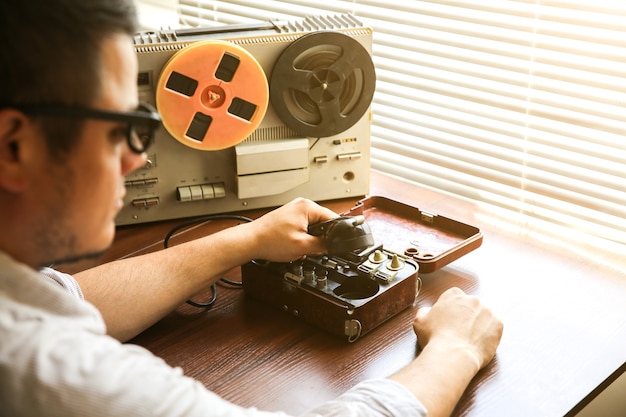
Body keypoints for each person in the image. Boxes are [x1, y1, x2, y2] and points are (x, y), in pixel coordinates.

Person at [0, 1, 503, 416]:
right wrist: (456, 349)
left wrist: (246, 240)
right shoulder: (38, 364)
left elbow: (59, 296)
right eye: (119, 129)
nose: (135, 159)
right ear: (14, 147)